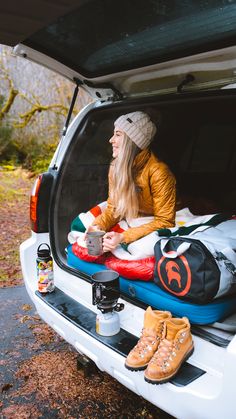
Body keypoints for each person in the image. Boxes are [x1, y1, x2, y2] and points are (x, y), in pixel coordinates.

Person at [86, 111, 176, 252]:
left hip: (158, 220)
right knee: (86, 224)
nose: (111, 140)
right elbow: (114, 209)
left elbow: (165, 221)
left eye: (118, 134)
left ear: (132, 141)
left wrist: (123, 237)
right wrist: (98, 226)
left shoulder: (158, 172)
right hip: (135, 218)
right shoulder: (115, 167)